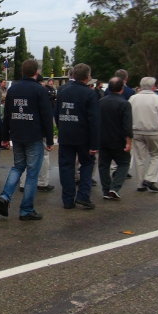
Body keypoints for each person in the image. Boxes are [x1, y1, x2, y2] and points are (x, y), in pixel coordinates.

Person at [0, 59, 54, 221]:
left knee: (17, 167)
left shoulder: (13, 89)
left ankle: (6, 195)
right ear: (36, 72)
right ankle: (26, 209)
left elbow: (6, 115)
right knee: (32, 174)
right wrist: (49, 140)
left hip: (17, 134)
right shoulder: (39, 90)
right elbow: (46, 117)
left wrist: (5, 137)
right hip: (34, 136)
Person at [56, 63, 100, 210]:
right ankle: (83, 196)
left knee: (66, 166)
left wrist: (61, 126)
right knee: (87, 164)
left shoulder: (62, 91)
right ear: (87, 77)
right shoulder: (90, 93)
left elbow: (57, 113)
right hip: (84, 136)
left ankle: (68, 199)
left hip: (66, 133)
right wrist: (94, 144)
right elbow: (94, 120)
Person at [128, 77, 158, 193]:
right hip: (154, 131)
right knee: (157, 155)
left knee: (139, 157)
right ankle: (150, 178)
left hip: (136, 131)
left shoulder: (133, 98)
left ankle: (140, 183)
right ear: (153, 86)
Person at [98, 77, 133, 200]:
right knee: (124, 163)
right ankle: (115, 187)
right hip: (118, 140)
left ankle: (106, 189)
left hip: (102, 139)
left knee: (103, 165)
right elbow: (127, 125)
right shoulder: (125, 104)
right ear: (122, 89)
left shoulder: (101, 102)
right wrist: (128, 141)